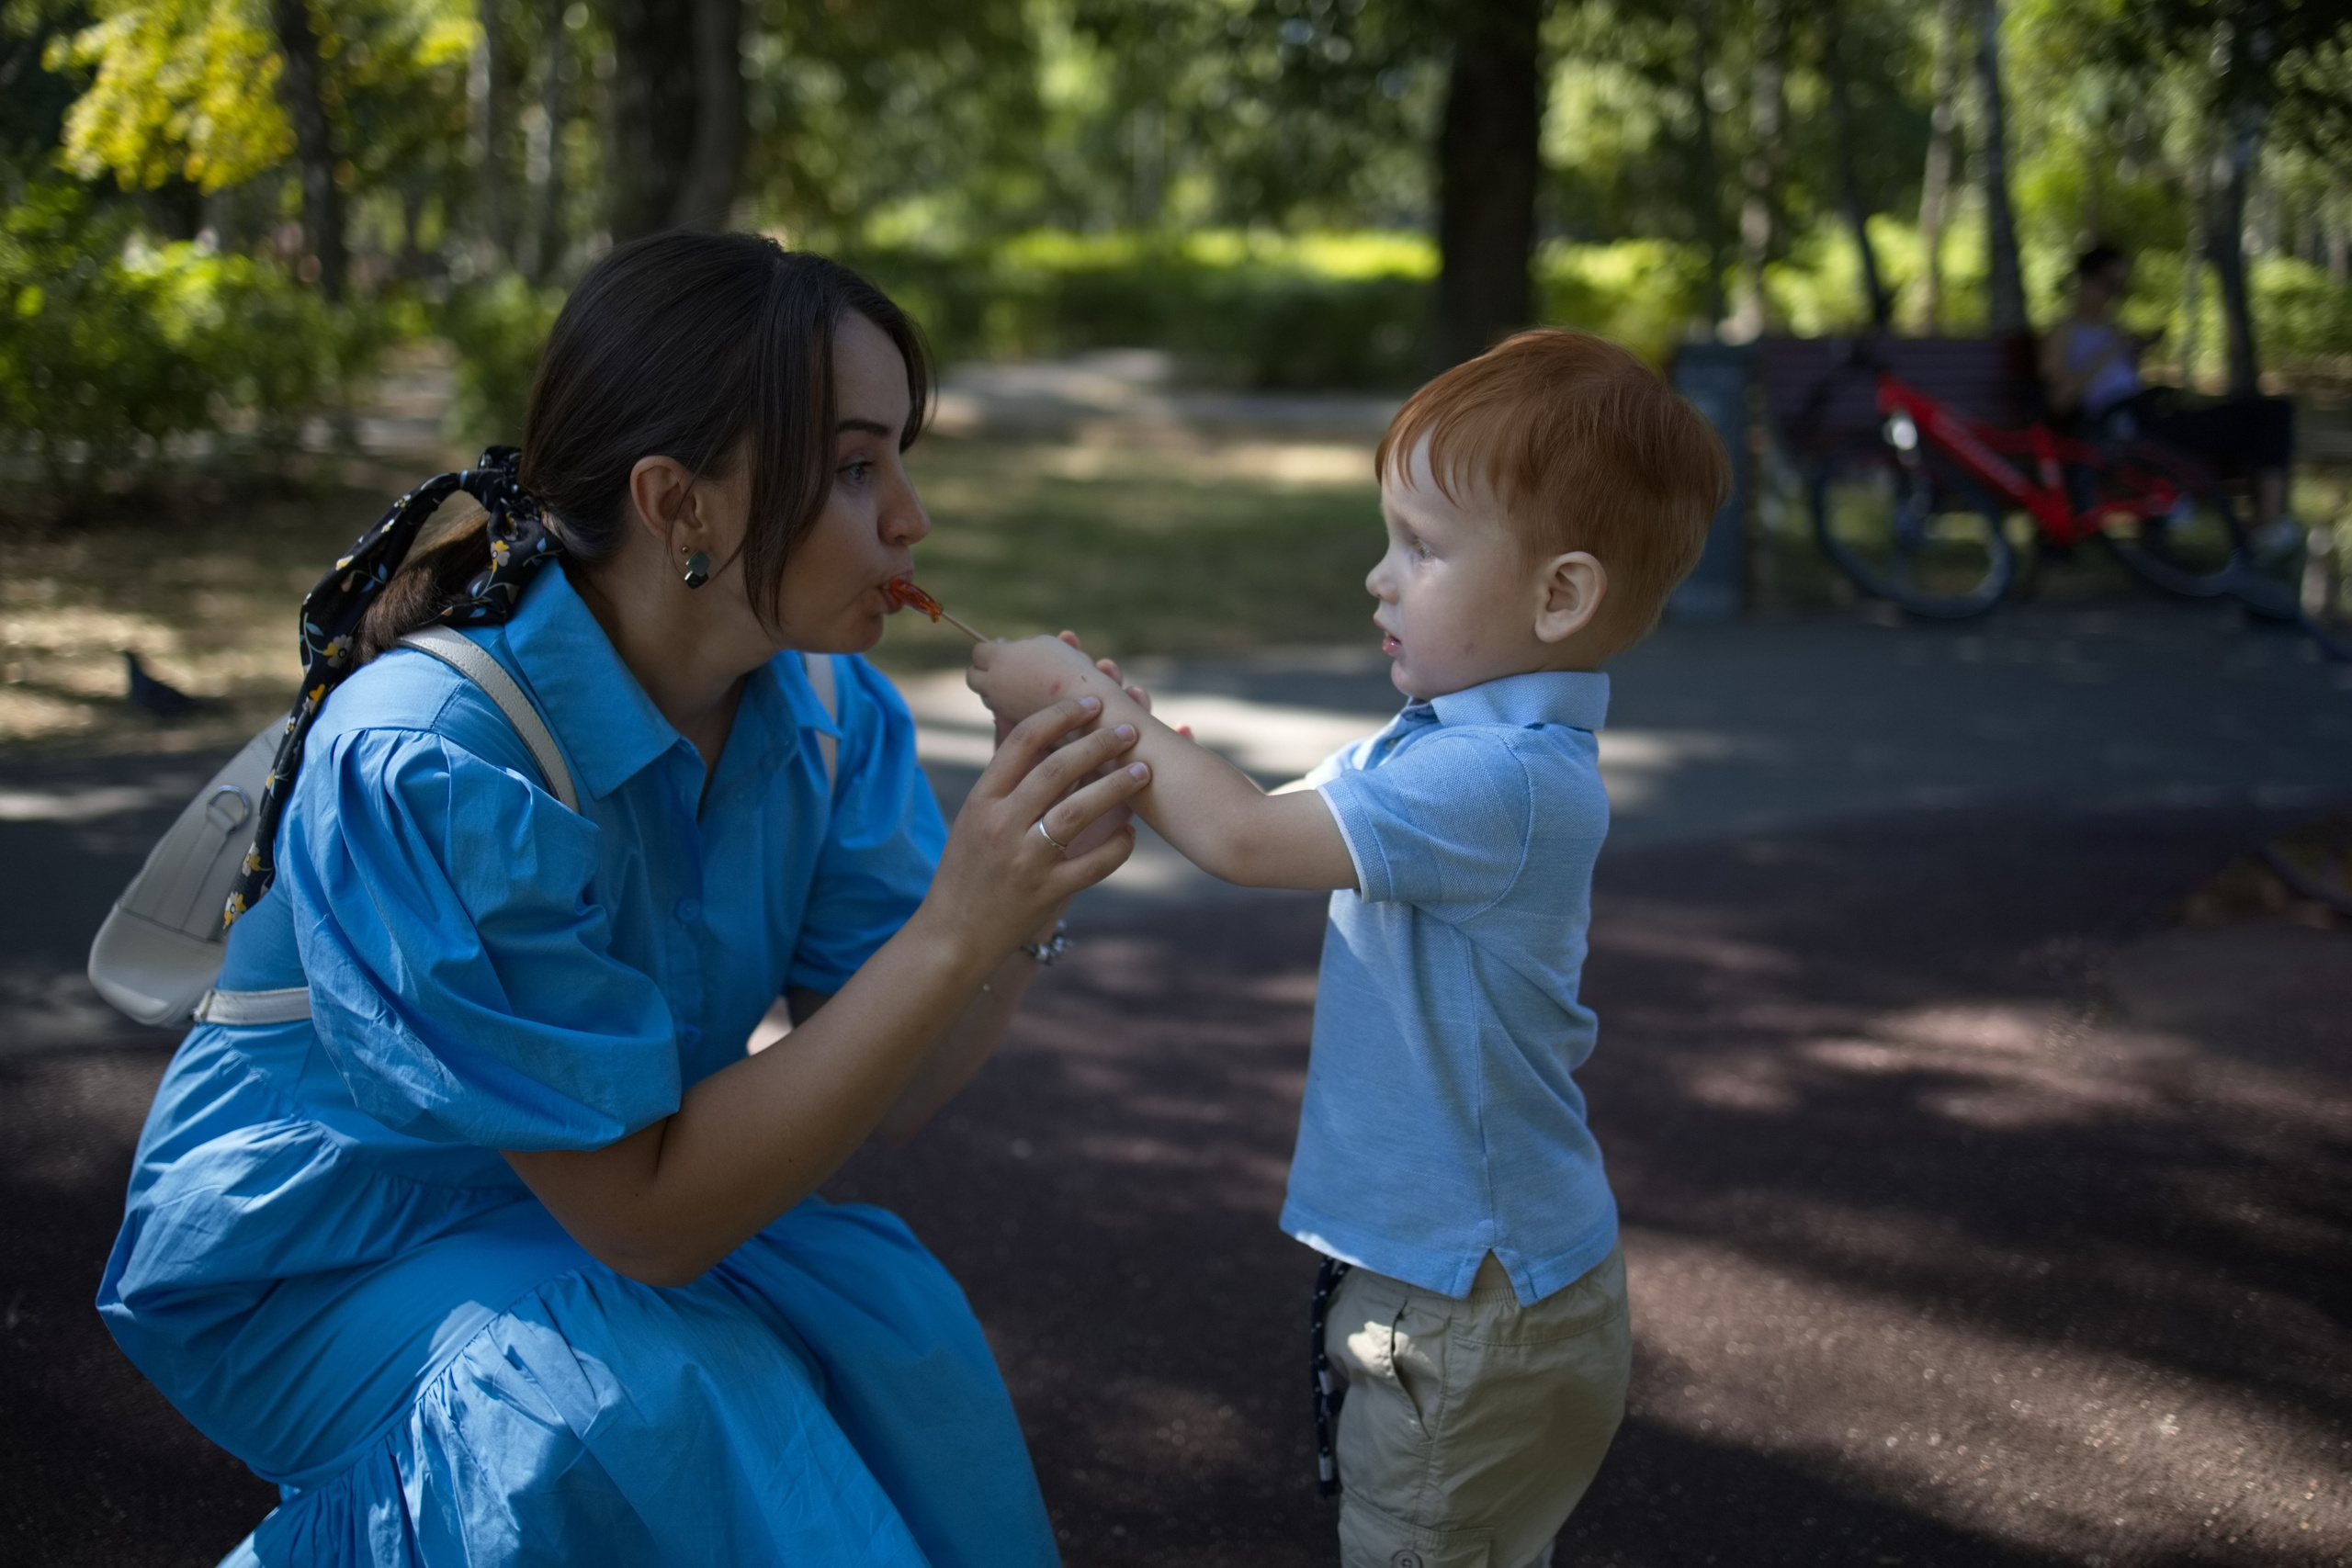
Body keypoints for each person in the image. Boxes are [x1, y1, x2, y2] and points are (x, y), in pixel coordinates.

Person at [96, 232, 1155, 1567]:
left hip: (595, 1194)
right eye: (851, 464)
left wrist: (1017, 897)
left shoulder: (833, 711)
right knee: (637, 1403)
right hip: (324, 1244)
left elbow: (895, 1088)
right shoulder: (434, 752)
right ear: (680, 503)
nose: (911, 518)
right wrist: (957, 917)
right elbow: (647, 1220)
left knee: (893, 1328)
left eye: (901, 457)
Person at [967, 330, 1731, 1568]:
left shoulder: (1501, 780)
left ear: (1560, 595)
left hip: (1471, 1303)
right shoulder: (1439, 744)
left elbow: (1243, 839)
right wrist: (1138, 741)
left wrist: (1081, 700)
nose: (1380, 577)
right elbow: (1248, 807)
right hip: (1464, 1281)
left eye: (1423, 547)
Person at [2040, 242, 2296, 545]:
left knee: (2271, 412)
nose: (2112, 294)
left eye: (2120, 287)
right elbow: (2060, 401)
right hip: (2119, 426)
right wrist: (2106, 353)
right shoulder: (2063, 332)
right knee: (2190, 432)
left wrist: (2135, 351)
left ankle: (2267, 524)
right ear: (2084, 281)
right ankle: (2246, 529)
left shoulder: (2114, 329)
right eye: (2107, 283)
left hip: (2151, 411)